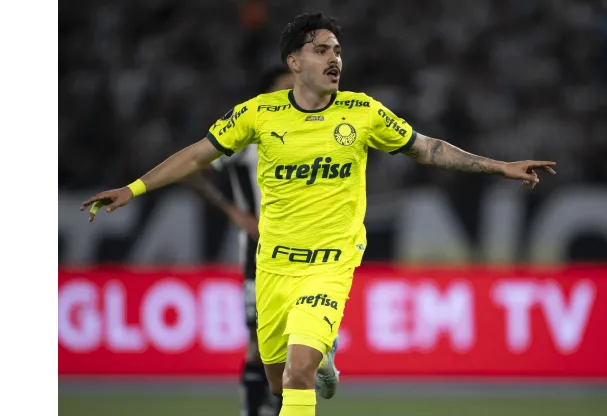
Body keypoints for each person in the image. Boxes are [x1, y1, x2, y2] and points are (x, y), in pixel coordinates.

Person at [81, 12, 556, 416]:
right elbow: (196, 155)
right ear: (295, 62)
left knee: (298, 373)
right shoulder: (258, 114)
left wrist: (499, 166)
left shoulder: (363, 112)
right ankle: (324, 355)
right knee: (276, 383)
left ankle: (316, 356)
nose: (335, 59)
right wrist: (134, 187)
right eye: (322, 50)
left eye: (337, 51)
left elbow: (427, 149)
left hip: (329, 261)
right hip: (273, 264)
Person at [184, 66, 294, 416]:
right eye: (284, 87)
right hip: (259, 254)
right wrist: (233, 211)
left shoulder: (306, 131)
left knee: (295, 341)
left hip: (303, 252)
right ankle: (253, 409)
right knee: (260, 341)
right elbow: (194, 169)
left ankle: (275, 408)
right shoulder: (249, 131)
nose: (293, 92)